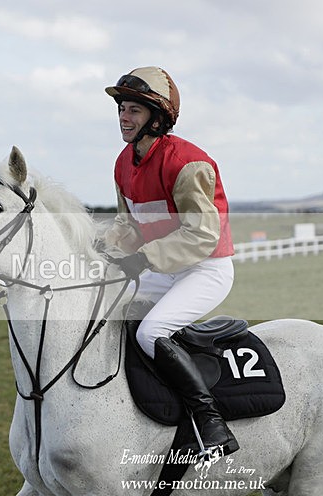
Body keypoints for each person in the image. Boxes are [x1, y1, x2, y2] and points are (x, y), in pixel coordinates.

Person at [102, 66, 239, 457]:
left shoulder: (189, 163)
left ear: (157, 118)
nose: (124, 118)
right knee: (103, 302)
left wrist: (141, 259)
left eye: (134, 111)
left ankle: (210, 422)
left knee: (150, 332)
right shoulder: (123, 163)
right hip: (161, 268)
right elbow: (128, 225)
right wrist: (104, 247)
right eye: (122, 109)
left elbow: (201, 234)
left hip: (205, 269)